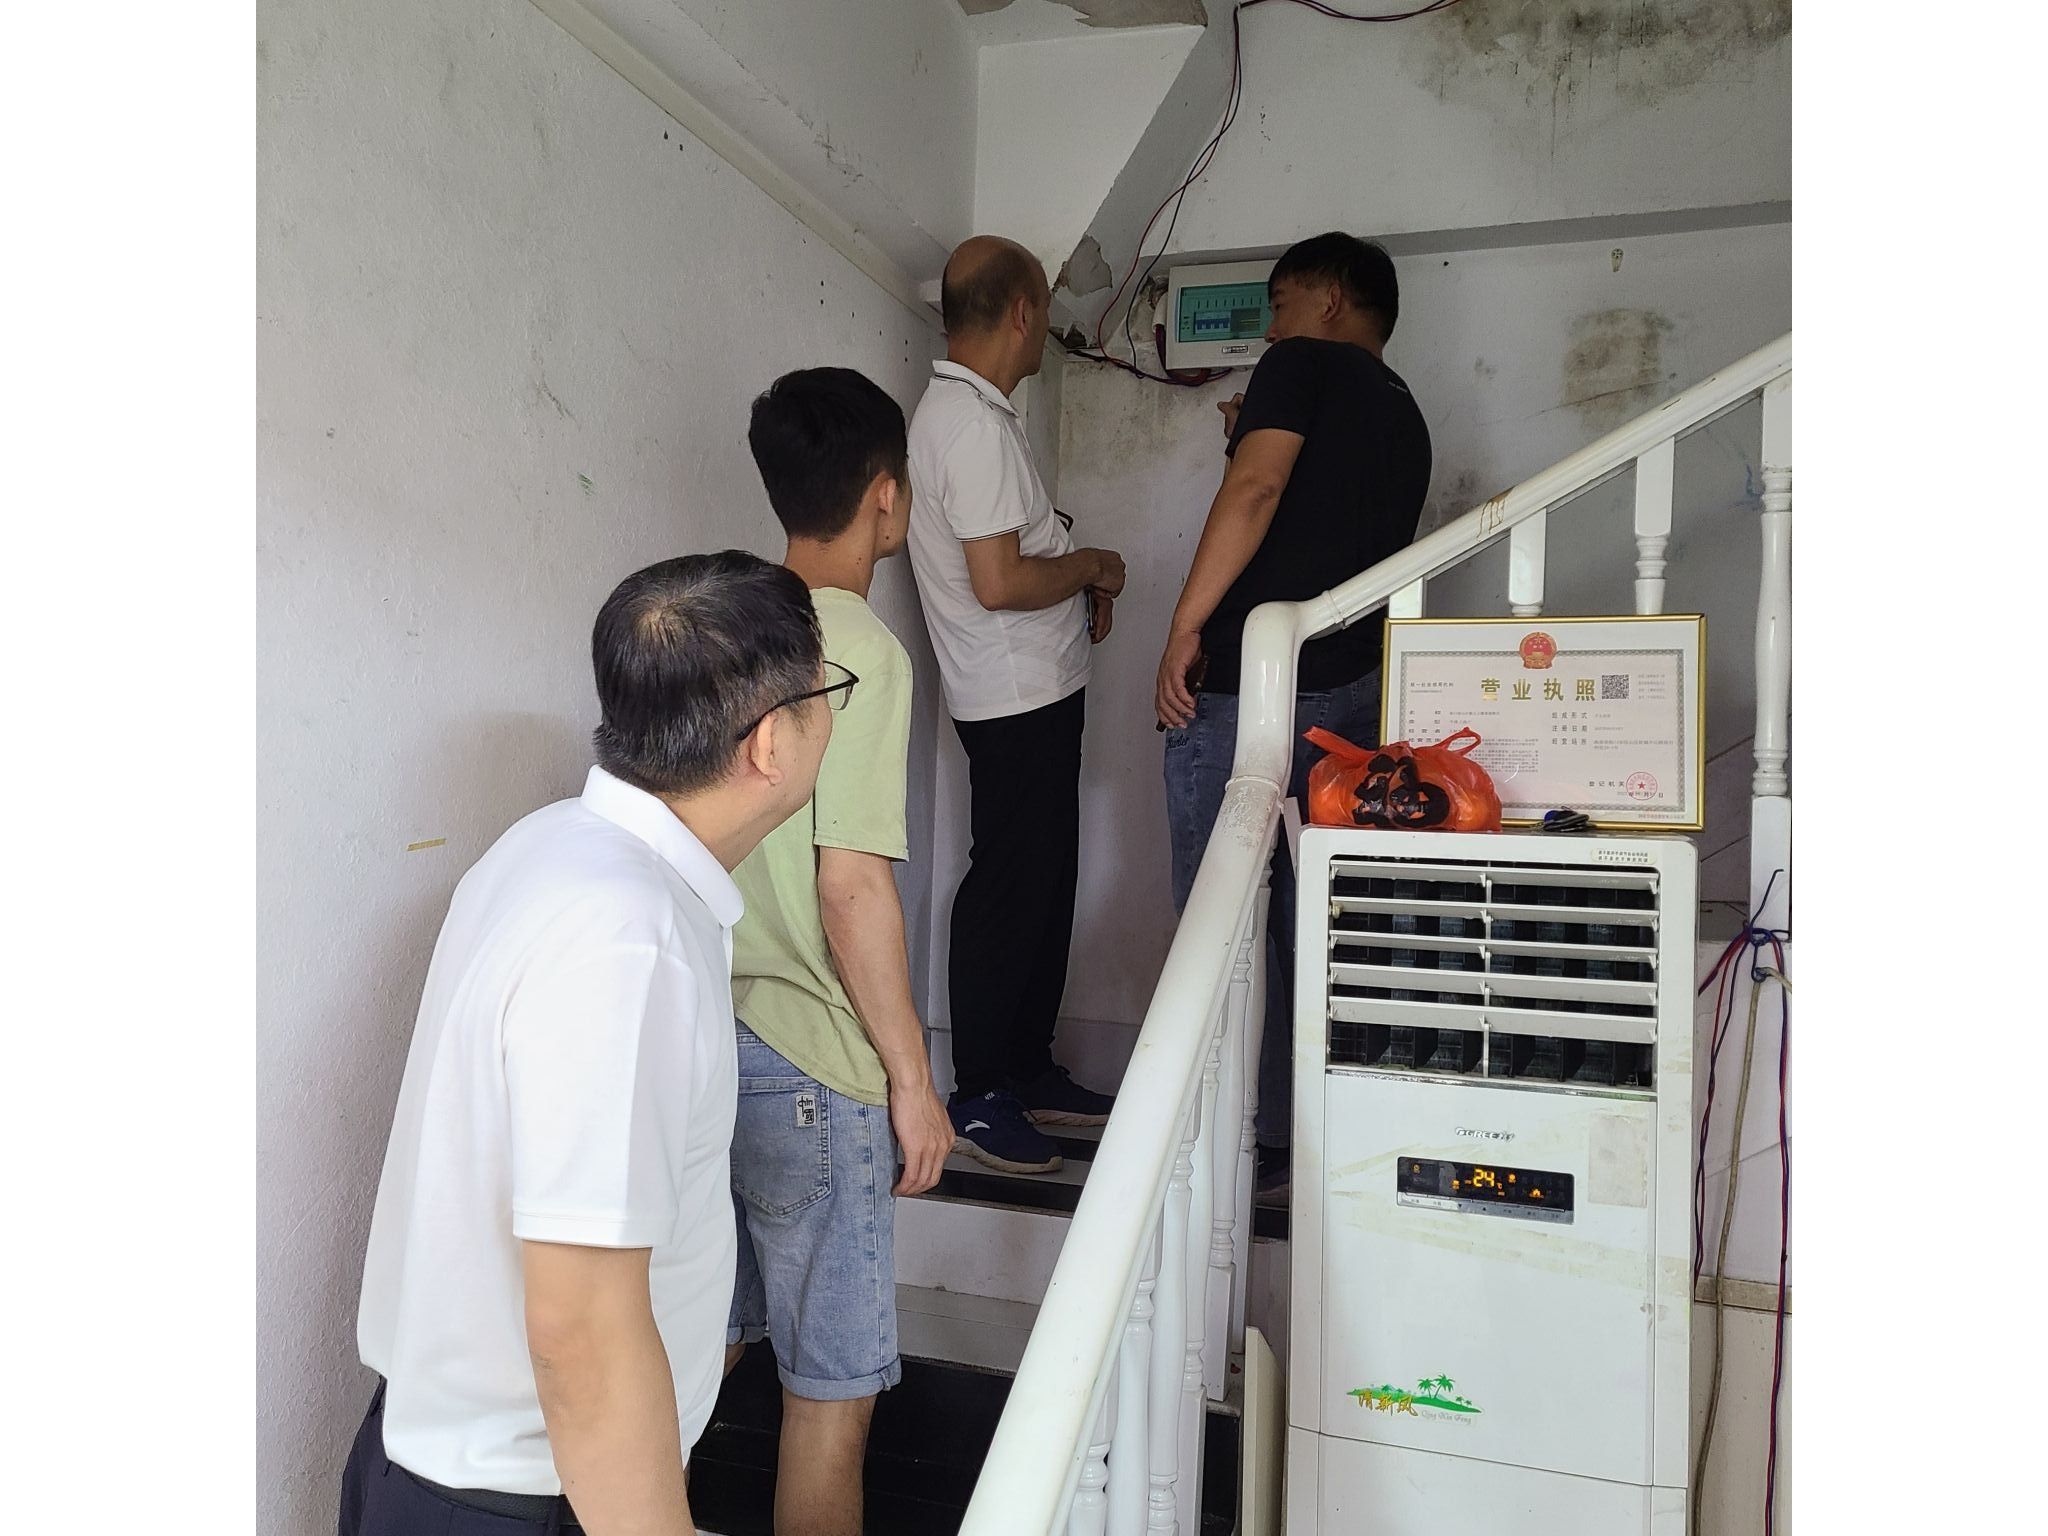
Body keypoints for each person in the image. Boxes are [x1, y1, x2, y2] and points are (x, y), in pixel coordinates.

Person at [340, 552, 837, 1536]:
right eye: (828, 693)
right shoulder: (627, 936)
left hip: (457, 1470)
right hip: (515, 1504)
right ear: (770, 742)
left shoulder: (548, 845)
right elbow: (580, 1327)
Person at [723, 368, 955, 1535]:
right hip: (814, 1061)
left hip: (704, 1041)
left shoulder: (720, 628)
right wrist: (911, 1080)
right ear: (886, 497)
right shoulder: (860, 646)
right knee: (828, 1394)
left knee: (695, 1348)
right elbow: (851, 883)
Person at [1153, 231, 1433, 1195]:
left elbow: (1259, 488)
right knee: (1311, 918)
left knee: (1219, 915)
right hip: (1351, 691)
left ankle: (1212, 1129)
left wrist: (1184, 627)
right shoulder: (1403, 411)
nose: (1270, 327)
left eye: (1280, 303)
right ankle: (1291, 1134)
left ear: (1330, 301)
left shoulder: (1300, 365)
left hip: (1253, 689)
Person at [907, 234, 1127, 1175]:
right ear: (1024, 313)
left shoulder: (973, 417)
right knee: (1008, 883)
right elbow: (998, 583)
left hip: (1033, 688)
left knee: (1041, 879)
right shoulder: (972, 427)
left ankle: (1028, 1068)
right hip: (1013, 696)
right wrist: (1092, 565)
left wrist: (1075, 580)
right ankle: (982, 1092)